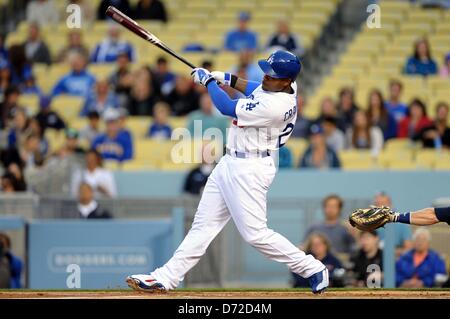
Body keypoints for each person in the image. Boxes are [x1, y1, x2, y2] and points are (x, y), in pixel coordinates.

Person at [127, 50, 329, 294]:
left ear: (286, 80)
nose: (266, 77)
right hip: (231, 161)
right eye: (266, 71)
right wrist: (227, 78)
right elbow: (256, 87)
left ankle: (312, 268)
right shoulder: (286, 88)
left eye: (272, 75)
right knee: (202, 226)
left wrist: (209, 82)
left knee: (256, 235)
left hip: (250, 168)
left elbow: (226, 107)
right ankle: (166, 277)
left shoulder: (273, 107)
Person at [373, 192, 412, 257]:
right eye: (377, 205)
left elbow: (409, 249)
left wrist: (390, 251)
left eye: (383, 204)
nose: (379, 208)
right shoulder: (371, 224)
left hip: (396, 261)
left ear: (390, 204)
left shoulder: (401, 223)